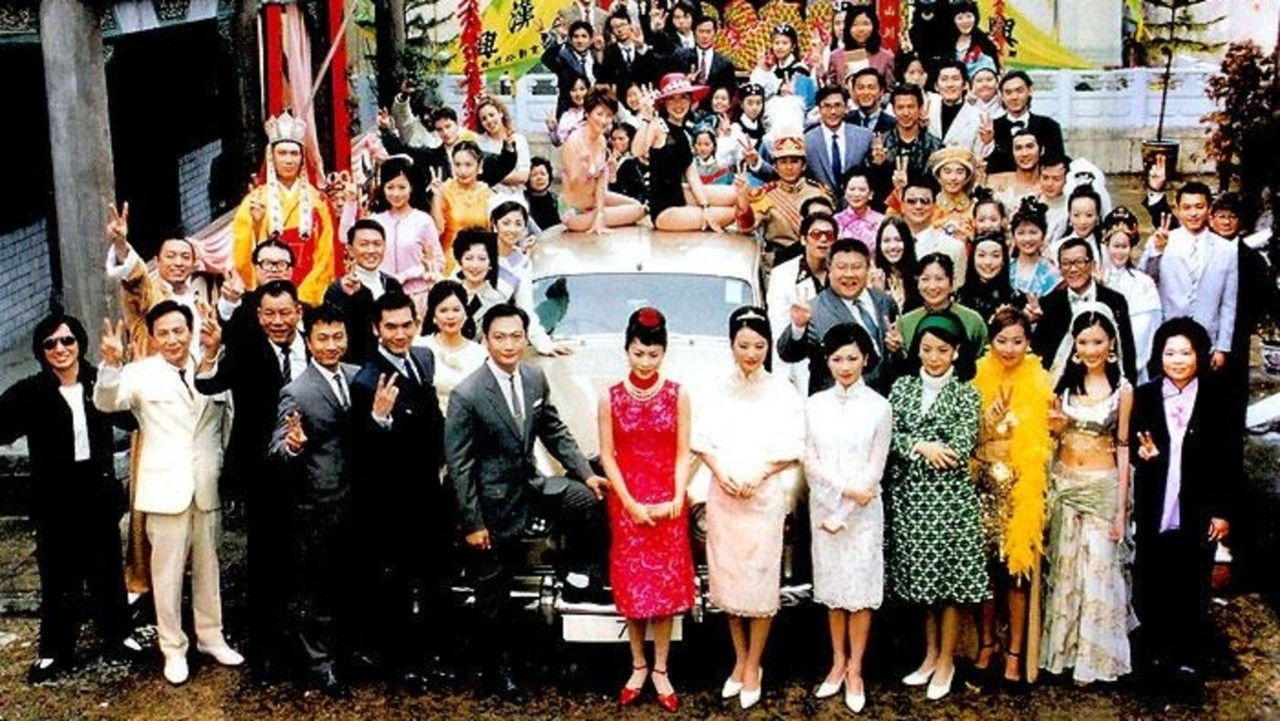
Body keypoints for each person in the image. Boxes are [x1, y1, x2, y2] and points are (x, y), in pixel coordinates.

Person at [445, 303, 609, 702]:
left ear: (525, 338)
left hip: (532, 486)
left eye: (516, 336)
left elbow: (554, 429)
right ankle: (499, 673)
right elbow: (459, 466)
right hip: (491, 503)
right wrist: (473, 523)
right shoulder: (468, 394)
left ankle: (578, 577)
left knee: (587, 500)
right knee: (495, 595)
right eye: (500, 337)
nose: (509, 345)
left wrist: (585, 473)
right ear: (485, 341)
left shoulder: (534, 377)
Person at [94, 301, 242, 685]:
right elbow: (106, 402)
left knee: (209, 567)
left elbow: (227, 423)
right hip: (164, 488)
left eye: (179, 331)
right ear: (153, 337)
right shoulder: (140, 373)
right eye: (164, 333)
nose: (173, 339)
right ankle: (173, 648)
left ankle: (211, 637)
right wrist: (110, 364)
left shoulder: (212, 366)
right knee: (167, 575)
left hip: (207, 484)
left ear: (191, 331)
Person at [0, 314, 140, 683]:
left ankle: (119, 635)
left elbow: (131, 419)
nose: (60, 349)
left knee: (107, 568)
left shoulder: (98, 380)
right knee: (57, 574)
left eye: (67, 341)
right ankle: (54, 650)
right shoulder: (30, 392)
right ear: (40, 350)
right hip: (54, 496)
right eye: (50, 343)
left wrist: (116, 366)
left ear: (79, 343)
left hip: (97, 489)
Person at [693, 306, 805, 710]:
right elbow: (701, 440)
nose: (751, 353)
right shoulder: (714, 388)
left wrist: (760, 474)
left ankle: (755, 663)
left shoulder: (782, 390)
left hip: (763, 496)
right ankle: (739, 660)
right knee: (730, 582)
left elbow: (793, 445)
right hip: (725, 495)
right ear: (731, 345)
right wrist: (721, 473)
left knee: (759, 583)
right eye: (743, 345)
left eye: (759, 346)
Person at [193, 279, 305, 679]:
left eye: (285, 312)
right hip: (263, 471)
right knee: (265, 558)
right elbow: (209, 382)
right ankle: (266, 646)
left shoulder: (317, 344)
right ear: (258, 316)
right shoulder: (245, 348)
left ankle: (310, 639)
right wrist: (210, 353)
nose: (278, 321)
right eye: (269, 314)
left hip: (312, 466)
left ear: (298, 312)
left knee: (309, 555)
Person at [347, 291, 451, 692]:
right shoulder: (366, 380)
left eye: (407, 325)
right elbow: (361, 452)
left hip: (428, 490)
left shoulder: (422, 359)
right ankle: (401, 663)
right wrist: (379, 419)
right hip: (390, 501)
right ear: (376, 329)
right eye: (390, 327)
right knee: (397, 585)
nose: (400, 334)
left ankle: (431, 655)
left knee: (432, 576)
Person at [885, 310, 988, 701]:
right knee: (923, 584)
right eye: (927, 349)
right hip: (910, 499)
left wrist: (917, 446)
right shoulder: (902, 387)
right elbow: (888, 436)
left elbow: (959, 448)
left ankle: (947, 660)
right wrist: (920, 445)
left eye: (942, 350)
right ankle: (930, 655)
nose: (934, 357)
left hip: (949, 503)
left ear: (956, 352)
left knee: (949, 584)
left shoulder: (966, 394)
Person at [1130, 317, 1233, 702]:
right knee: (1152, 579)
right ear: (1159, 356)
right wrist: (1143, 455)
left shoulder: (1217, 396)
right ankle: (1152, 660)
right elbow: (1131, 448)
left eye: (1185, 353)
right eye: (1169, 352)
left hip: (1197, 506)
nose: (1177, 360)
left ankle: (1188, 661)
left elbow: (1228, 457)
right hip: (1155, 502)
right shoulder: (1144, 395)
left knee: (1191, 581)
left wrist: (1222, 510)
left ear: (1199, 355)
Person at [597, 308, 694, 712]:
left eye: (653, 355)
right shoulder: (610, 396)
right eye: (638, 353)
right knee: (634, 587)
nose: (645, 362)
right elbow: (607, 455)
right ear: (627, 350)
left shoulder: (677, 394)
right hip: (628, 501)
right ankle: (637, 664)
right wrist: (630, 503)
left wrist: (677, 495)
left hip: (668, 501)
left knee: (665, 590)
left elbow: (683, 451)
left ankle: (661, 668)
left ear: (664, 353)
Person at [266, 302, 359, 698]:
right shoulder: (297, 390)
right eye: (323, 338)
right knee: (318, 588)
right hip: (318, 504)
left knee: (350, 581)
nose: (331, 345)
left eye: (338, 336)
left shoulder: (358, 376)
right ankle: (319, 664)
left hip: (358, 500)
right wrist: (292, 445)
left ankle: (349, 653)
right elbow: (276, 447)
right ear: (309, 341)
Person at [1039, 306, 1134, 684]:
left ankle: (1096, 660)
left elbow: (1123, 446)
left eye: (1098, 342)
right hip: (1065, 482)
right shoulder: (1062, 387)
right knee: (1065, 569)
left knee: (1098, 569)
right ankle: (1063, 654)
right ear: (1074, 346)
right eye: (1083, 342)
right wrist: (1055, 427)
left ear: (1111, 344)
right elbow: (1048, 435)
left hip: (1102, 485)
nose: (1091, 350)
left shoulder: (1123, 390)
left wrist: (1121, 508)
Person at [804, 322, 892, 713]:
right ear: (827, 361)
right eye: (837, 359)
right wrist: (839, 496)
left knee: (859, 592)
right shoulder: (814, 405)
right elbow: (809, 460)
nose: (845, 366)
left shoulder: (879, 407)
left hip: (863, 512)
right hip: (824, 508)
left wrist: (848, 509)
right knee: (834, 589)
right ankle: (837, 662)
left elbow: (876, 466)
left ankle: (856, 668)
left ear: (866, 359)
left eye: (852, 358)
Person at [970, 307, 1055, 686]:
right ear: (990, 342)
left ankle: (1016, 653)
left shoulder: (1040, 380)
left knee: (1017, 574)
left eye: (1017, 341)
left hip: (1021, 489)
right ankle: (987, 644)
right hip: (982, 486)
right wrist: (986, 420)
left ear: (1028, 343)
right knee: (984, 574)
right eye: (1001, 340)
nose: (1008, 348)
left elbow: (1046, 440)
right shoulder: (976, 376)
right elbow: (966, 438)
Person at [232, 111, 339, 306]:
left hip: (308, 294)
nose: (289, 160)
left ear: (302, 158)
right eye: (282, 153)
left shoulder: (318, 201)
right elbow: (242, 255)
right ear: (271, 156)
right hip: (268, 293)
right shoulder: (254, 201)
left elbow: (326, 255)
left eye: (294, 153)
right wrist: (257, 227)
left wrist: (304, 296)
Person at [778, 239, 902, 396]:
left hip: (885, 399)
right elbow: (788, 353)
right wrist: (798, 327)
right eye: (841, 267)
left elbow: (895, 355)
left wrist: (897, 348)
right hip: (836, 402)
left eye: (856, 267)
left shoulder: (884, 301)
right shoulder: (814, 309)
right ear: (829, 269)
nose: (849, 274)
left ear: (868, 268)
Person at [1139, 181, 1239, 374]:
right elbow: (1145, 284)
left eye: (1199, 207)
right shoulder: (1162, 240)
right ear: (1177, 209)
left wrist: (1222, 347)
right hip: (1167, 335)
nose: (1193, 213)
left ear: (1209, 209)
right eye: (1187, 207)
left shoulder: (1226, 249)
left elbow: (1228, 303)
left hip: (1207, 338)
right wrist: (1157, 252)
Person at [104, 202, 216, 359]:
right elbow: (134, 278)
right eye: (171, 256)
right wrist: (120, 243)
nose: (178, 263)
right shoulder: (148, 293)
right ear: (157, 261)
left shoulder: (200, 304)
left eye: (185, 257)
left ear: (193, 264)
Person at [633, 74, 738, 232]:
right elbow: (637, 151)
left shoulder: (685, 133)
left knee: (738, 194)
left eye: (683, 98)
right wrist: (646, 118)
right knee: (732, 213)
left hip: (680, 194)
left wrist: (705, 206)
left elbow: (692, 175)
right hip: (664, 210)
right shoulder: (658, 126)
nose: (678, 104)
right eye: (672, 99)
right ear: (664, 102)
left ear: (690, 101)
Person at [1032, 238, 1139, 383]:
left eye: (1080, 262)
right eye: (1066, 263)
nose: (1073, 269)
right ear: (1060, 268)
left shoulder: (1114, 301)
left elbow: (1127, 351)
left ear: (1092, 265)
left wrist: (1129, 385)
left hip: (1105, 382)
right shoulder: (1049, 302)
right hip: (1061, 384)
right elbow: (1040, 353)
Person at [737, 130, 833, 270]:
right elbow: (747, 228)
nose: (789, 167)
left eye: (794, 161)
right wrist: (742, 199)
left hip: (816, 264)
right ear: (775, 167)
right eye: (783, 162)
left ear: (804, 165)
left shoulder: (820, 193)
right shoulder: (766, 195)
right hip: (779, 264)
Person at [490, 199, 572, 356]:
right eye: (506, 223)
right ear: (494, 224)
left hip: (490, 335)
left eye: (518, 224)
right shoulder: (479, 253)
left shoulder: (521, 263)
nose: (512, 229)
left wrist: (544, 344)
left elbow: (526, 308)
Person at [767, 212, 837, 395]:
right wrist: (782, 381)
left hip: (837, 367)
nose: (823, 240)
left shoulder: (842, 273)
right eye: (816, 234)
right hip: (800, 365)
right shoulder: (783, 275)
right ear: (804, 239)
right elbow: (778, 327)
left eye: (829, 235)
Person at [561, 88, 648, 233]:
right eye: (599, 114)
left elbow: (601, 182)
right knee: (640, 211)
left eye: (609, 115)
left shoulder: (601, 140)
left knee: (637, 205)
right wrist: (585, 168)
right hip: (575, 211)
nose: (604, 120)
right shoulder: (574, 142)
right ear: (587, 113)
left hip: (595, 200)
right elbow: (573, 184)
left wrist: (600, 213)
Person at [325, 219, 407, 366]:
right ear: (350, 249)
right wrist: (356, 296)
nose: (371, 250)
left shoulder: (391, 284)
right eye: (364, 244)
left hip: (392, 363)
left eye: (377, 244)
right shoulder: (339, 289)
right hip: (356, 367)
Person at [369, 157, 444, 315]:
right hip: (382, 297)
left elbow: (438, 261)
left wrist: (408, 275)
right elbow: (347, 239)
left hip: (417, 296)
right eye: (390, 187)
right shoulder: (375, 220)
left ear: (411, 188)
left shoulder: (423, 221)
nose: (396, 193)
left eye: (402, 187)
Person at [412, 280, 488, 415]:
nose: (450, 316)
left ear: (465, 313)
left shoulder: (480, 353)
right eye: (443, 310)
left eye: (456, 310)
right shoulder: (419, 347)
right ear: (433, 315)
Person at [866, 84, 945, 206]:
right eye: (900, 107)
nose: (906, 113)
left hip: (923, 207)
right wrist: (879, 165)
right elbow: (870, 185)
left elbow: (939, 184)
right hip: (886, 209)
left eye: (910, 107)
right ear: (893, 110)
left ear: (920, 108)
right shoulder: (879, 143)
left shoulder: (935, 146)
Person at [1102, 225, 1162, 383]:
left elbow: (1151, 321)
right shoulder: (1098, 279)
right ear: (1107, 247)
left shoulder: (1143, 282)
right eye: (1115, 246)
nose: (1119, 252)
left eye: (1124, 247)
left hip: (1136, 354)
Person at [898, 253, 988, 353]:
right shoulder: (905, 323)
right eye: (925, 279)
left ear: (952, 282)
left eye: (939, 279)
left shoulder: (973, 321)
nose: (932, 286)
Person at [429, 141, 494, 271]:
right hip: (450, 262)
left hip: (479, 262)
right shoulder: (444, 190)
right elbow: (437, 230)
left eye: (468, 165)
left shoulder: (489, 194)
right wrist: (436, 197)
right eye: (457, 165)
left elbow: (493, 232)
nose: (462, 171)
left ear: (479, 165)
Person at [987, 71, 1065, 175]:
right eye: (1008, 92)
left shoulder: (1049, 126)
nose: (1014, 97)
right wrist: (987, 143)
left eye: (1019, 91)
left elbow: (1057, 164)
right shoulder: (991, 128)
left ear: (1030, 91)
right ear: (1001, 96)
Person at [804, 85, 874, 197]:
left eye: (837, 105)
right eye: (827, 106)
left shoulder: (864, 137)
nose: (833, 111)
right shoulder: (807, 140)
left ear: (846, 108)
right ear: (819, 109)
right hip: (820, 201)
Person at [926, 59, 995, 158]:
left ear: (965, 85)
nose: (950, 84)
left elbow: (980, 157)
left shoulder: (978, 117)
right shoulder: (928, 108)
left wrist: (987, 142)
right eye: (944, 79)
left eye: (955, 79)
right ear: (936, 86)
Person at [926, 146, 979, 266]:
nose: (953, 178)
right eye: (947, 172)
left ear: (967, 177)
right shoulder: (927, 209)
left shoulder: (975, 209)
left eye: (959, 172)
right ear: (938, 176)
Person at [958, 231, 1028, 322]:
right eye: (981, 255)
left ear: (1003, 261)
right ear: (972, 259)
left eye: (995, 256)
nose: (988, 262)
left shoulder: (1016, 298)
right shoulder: (959, 297)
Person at [542, 20, 603, 117]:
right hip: (569, 113)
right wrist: (561, 39)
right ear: (570, 39)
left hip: (595, 111)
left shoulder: (596, 57)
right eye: (576, 37)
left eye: (584, 36)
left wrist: (600, 52)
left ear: (591, 39)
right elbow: (547, 59)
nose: (580, 41)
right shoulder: (564, 58)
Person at [475, 95, 532, 196]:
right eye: (484, 119)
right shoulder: (479, 143)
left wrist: (492, 176)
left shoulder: (518, 140)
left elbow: (523, 176)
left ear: (500, 113)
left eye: (492, 115)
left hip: (514, 197)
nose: (489, 121)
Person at [451, 229, 505, 329]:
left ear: (490, 263)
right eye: (469, 258)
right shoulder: (448, 294)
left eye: (482, 259)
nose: (475, 265)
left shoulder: (498, 301)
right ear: (460, 262)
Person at [827, 5, 895, 85]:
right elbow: (831, 87)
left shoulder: (886, 57)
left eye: (865, 24)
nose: (860, 29)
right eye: (855, 24)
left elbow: (889, 88)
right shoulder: (836, 56)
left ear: (874, 26)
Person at [1009, 196, 1061, 299]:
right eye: (1021, 233)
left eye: (1033, 232)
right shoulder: (1006, 268)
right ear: (1013, 236)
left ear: (1043, 235)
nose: (1027, 239)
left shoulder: (1051, 273)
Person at [870, 217, 922, 313]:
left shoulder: (919, 276)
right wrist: (879, 293)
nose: (893, 246)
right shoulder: (871, 278)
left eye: (898, 240)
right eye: (886, 240)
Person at [676, 14, 737, 93]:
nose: (705, 36)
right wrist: (685, 82)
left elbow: (731, 91)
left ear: (715, 33)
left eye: (708, 32)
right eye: (701, 31)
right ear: (694, 32)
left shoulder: (725, 64)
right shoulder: (681, 57)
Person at [987, 129, 1043, 211]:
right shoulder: (996, 181)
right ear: (1012, 153)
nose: (1024, 153)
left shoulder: (1049, 185)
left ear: (1041, 150)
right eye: (1018, 148)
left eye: (1030, 147)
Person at [1049, 183, 1104, 261]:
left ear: (1097, 218)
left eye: (1089, 215)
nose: (1082, 222)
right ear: (1069, 217)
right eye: (1076, 215)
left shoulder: (1105, 250)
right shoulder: (1055, 248)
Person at [834, 170, 884, 248]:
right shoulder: (836, 221)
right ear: (845, 193)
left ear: (871, 194)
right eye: (852, 189)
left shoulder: (881, 221)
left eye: (862, 190)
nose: (856, 194)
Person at [950, 2, 1001, 77]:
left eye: (969, 16)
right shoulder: (947, 42)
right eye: (960, 18)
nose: (965, 21)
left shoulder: (986, 42)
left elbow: (996, 71)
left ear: (976, 17)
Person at [846, 68, 897, 135]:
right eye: (860, 88)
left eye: (871, 88)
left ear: (881, 91)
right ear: (853, 91)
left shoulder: (893, 124)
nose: (866, 93)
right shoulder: (845, 121)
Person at [525, 157, 562, 232]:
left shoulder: (556, 200)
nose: (539, 178)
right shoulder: (523, 200)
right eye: (534, 175)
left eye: (543, 174)